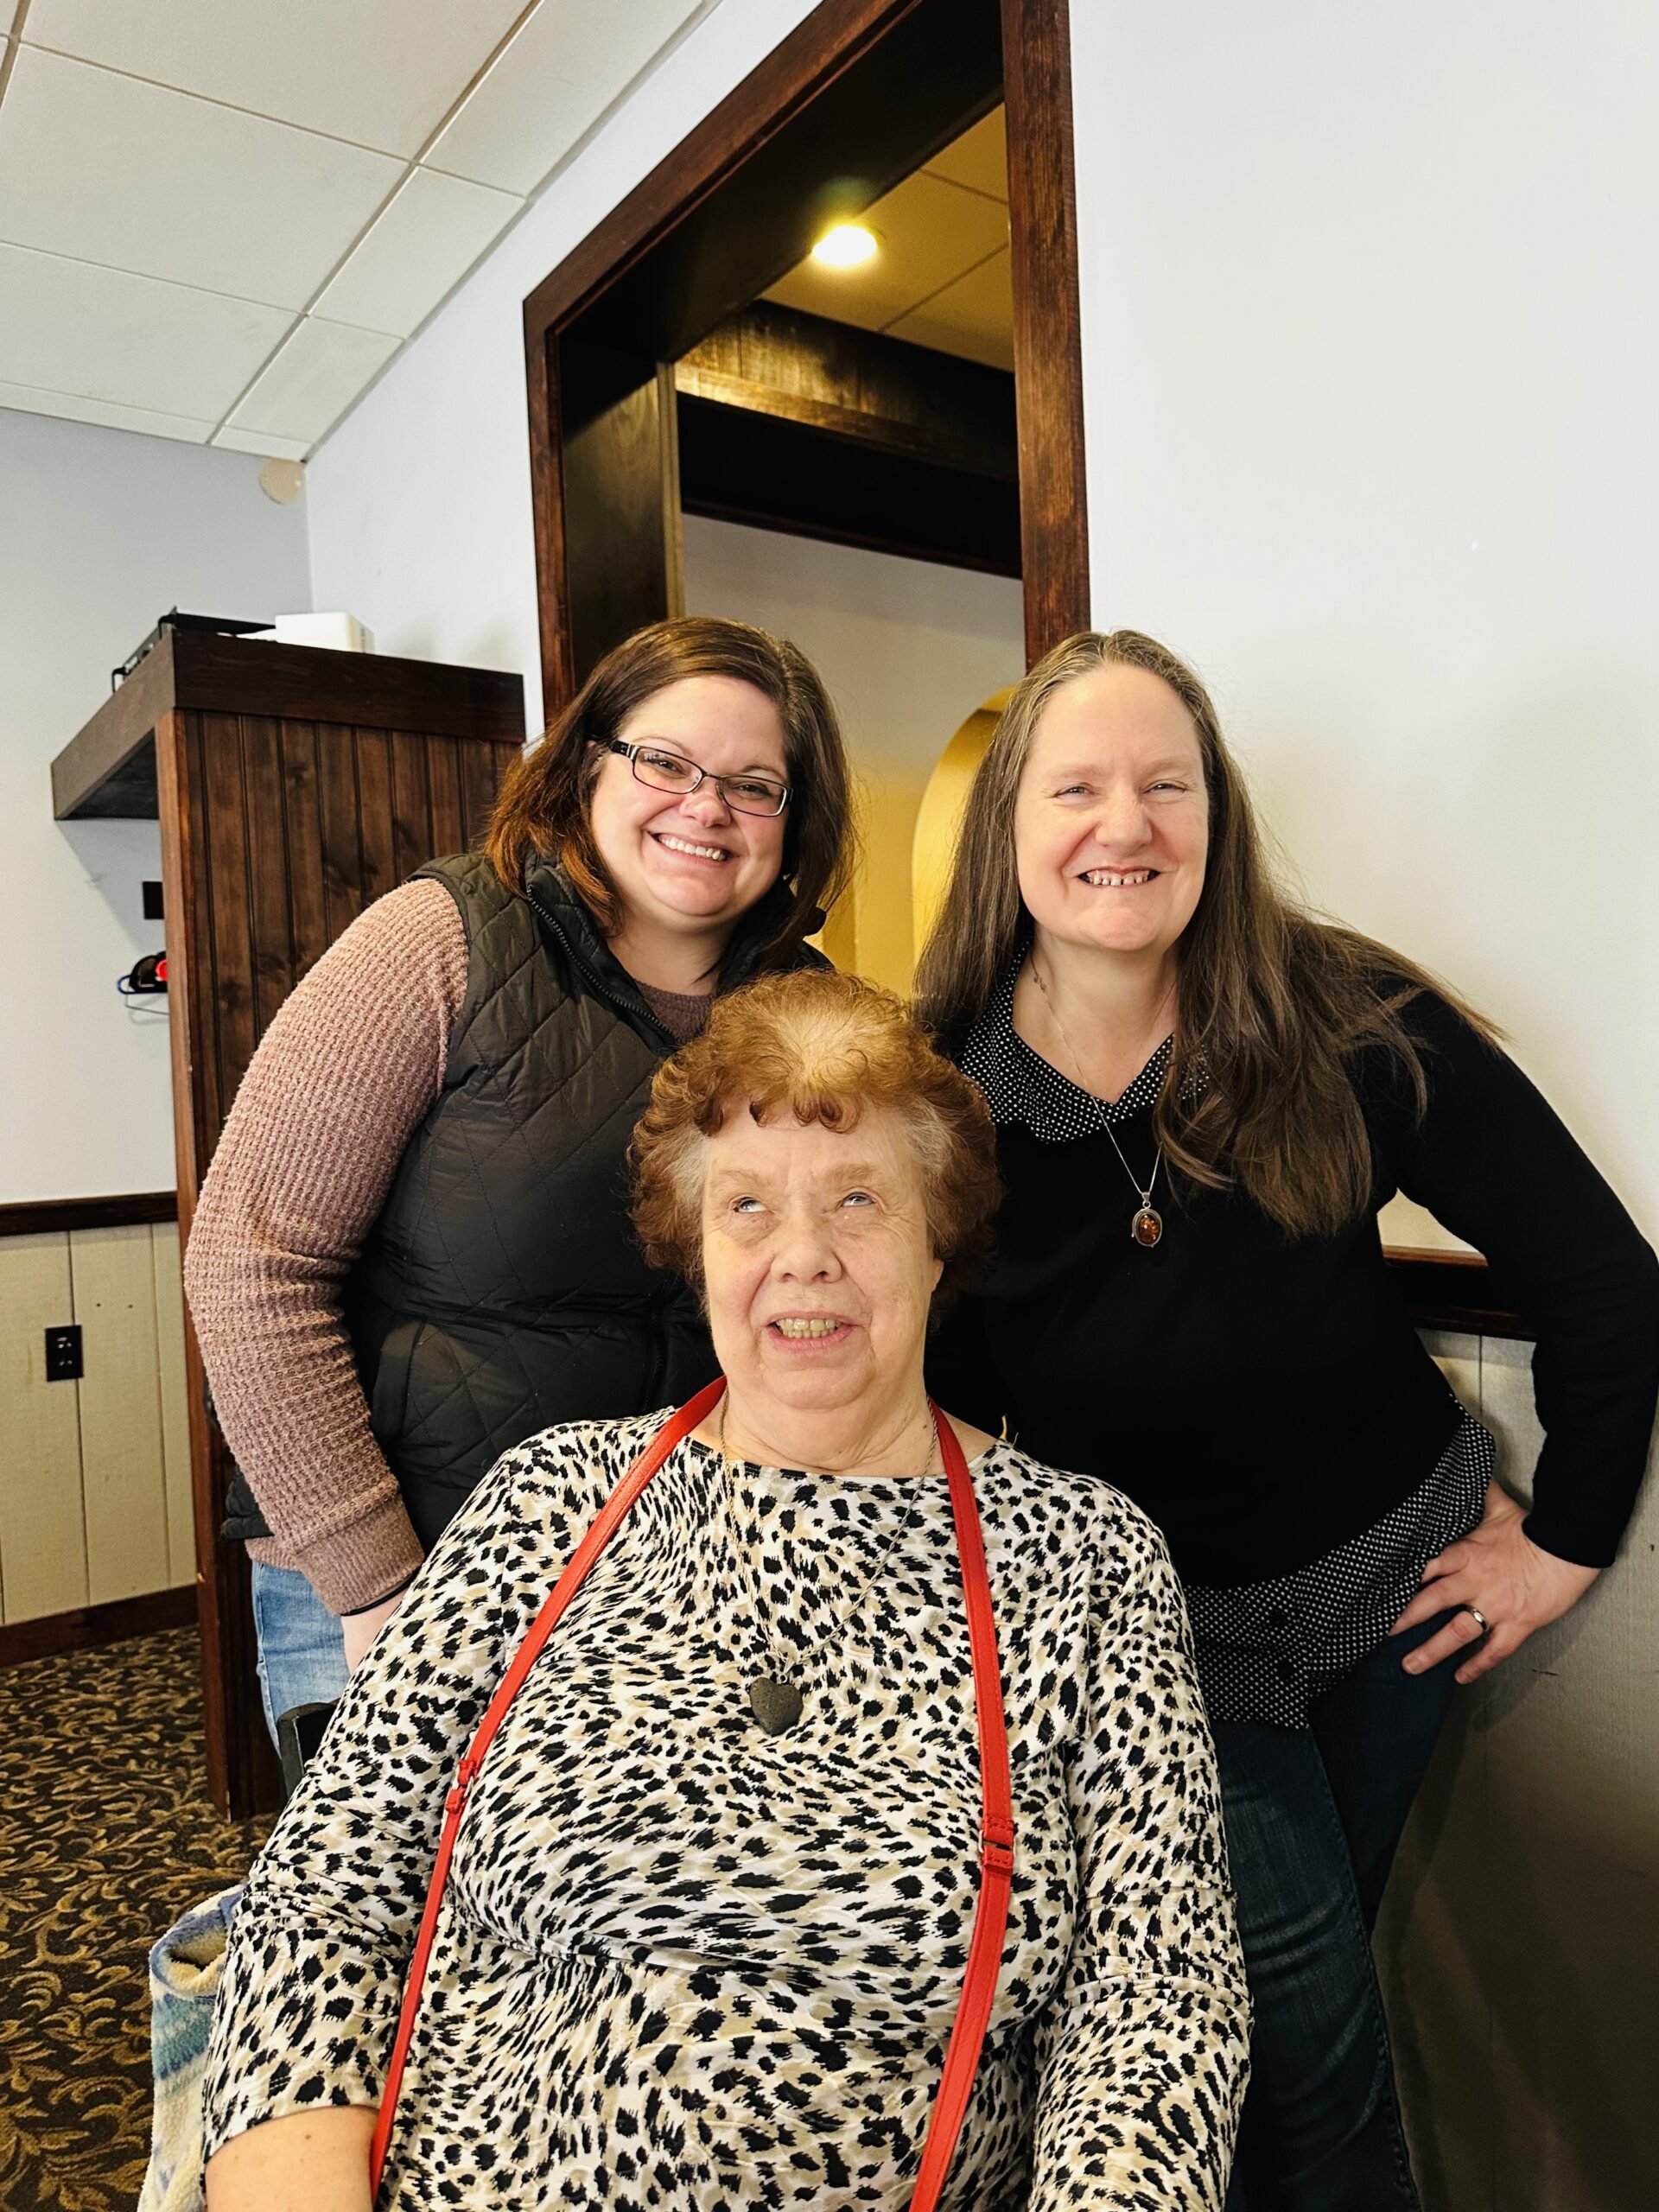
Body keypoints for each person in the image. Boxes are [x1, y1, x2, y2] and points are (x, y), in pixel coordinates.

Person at [198, 970, 1250, 2211]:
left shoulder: (1086, 1558)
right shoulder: (550, 1502)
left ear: (937, 1235)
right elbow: (327, 1889)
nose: (802, 1257)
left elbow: (1154, 2001)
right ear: (695, 1251)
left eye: (858, 1199)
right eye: (746, 1207)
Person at [915, 630, 1659, 2212]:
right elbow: (923, 1417)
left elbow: (1604, 1278)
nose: (1126, 824)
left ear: (1216, 814)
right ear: (1011, 828)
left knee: (1265, 2038)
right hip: (1162, 1653)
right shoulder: (936, 1097)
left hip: (1404, 1599)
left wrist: (1572, 1539)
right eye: (1078, 787)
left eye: (1165, 784)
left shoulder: (1341, 1012)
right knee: (1293, 2061)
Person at [184, 616, 852, 1740]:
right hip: (408, 1571)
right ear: (588, 761)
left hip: (673, 1584)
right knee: (403, 1918)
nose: (705, 806)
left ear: (794, 823)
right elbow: (250, 1268)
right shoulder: (440, 939)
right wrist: (379, 1588)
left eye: (754, 784)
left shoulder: (805, 1000)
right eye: (667, 762)